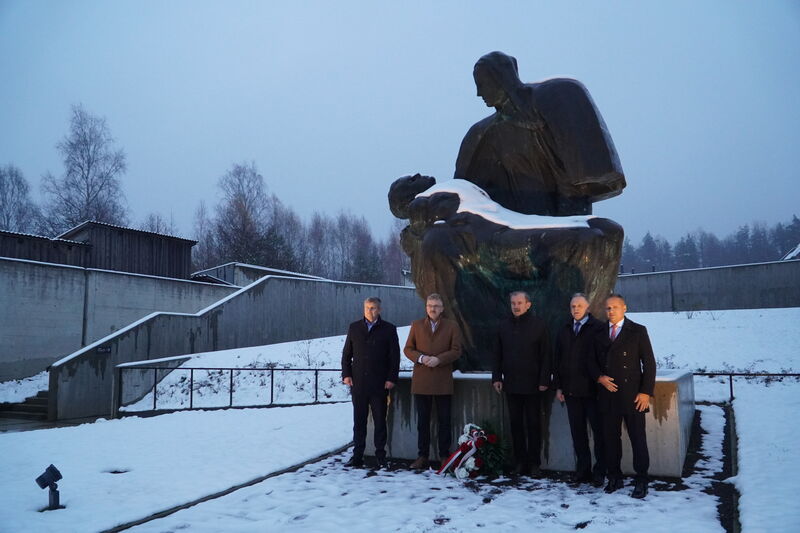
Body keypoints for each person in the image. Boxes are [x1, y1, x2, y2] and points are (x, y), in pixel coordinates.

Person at [455, 51, 625, 217]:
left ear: (500, 79)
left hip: (566, 211)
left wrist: (571, 215)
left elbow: (579, 171)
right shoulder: (483, 132)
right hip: (515, 222)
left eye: (482, 84)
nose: (479, 93)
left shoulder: (555, 96)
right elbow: (466, 190)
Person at [589, 294, 656, 498]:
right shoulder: (598, 331)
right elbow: (589, 361)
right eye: (608, 308)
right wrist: (599, 377)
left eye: (615, 307)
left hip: (633, 395)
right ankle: (615, 477)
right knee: (610, 439)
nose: (611, 311)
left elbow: (650, 363)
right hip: (607, 395)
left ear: (624, 308)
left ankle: (642, 480)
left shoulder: (637, 331)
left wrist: (645, 392)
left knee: (638, 439)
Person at [492, 290, 551, 476]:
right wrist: (496, 377)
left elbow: (546, 355)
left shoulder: (539, 325)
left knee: (534, 425)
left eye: (519, 303)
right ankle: (520, 462)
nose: (516, 306)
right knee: (515, 425)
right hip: (511, 384)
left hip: (534, 385)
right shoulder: (503, 325)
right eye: (513, 303)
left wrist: (544, 380)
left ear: (528, 305)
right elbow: (497, 354)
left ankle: (534, 464)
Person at [403, 293, 462, 470]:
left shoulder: (452, 326)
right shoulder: (416, 325)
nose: (433, 308)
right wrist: (420, 358)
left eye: (436, 305)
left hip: (443, 380)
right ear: (426, 307)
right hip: (422, 380)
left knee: (444, 421)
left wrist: (439, 359)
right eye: (430, 305)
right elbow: (407, 349)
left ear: (442, 308)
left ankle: (444, 456)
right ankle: (423, 456)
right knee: (423, 421)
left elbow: (456, 350)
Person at [554, 293, 606, 486]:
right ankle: (582, 470)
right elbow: (557, 361)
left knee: (599, 433)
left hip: (593, 392)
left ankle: (600, 471)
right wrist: (559, 387)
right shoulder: (564, 329)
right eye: (573, 306)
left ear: (587, 308)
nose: (576, 309)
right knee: (578, 433)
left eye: (579, 306)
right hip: (571, 391)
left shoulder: (599, 328)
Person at [341, 297, 400, 469]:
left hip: (380, 384)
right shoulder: (354, 328)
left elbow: (394, 357)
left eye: (373, 308)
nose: (370, 311)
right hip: (358, 383)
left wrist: (391, 378)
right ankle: (357, 456)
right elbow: (346, 355)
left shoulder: (388, 329)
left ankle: (381, 456)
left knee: (380, 422)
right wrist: (346, 374)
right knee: (359, 422)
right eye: (367, 308)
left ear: (379, 310)